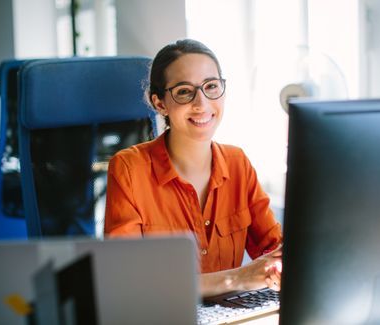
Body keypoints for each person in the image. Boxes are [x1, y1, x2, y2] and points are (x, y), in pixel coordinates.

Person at [104, 39, 283, 297]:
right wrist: (237, 279)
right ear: (160, 103)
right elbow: (128, 280)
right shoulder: (129, 169)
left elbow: (273, 249)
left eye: (211, 86)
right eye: (184, 91)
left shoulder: (237, 163)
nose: (202, 103)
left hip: (230, 315)